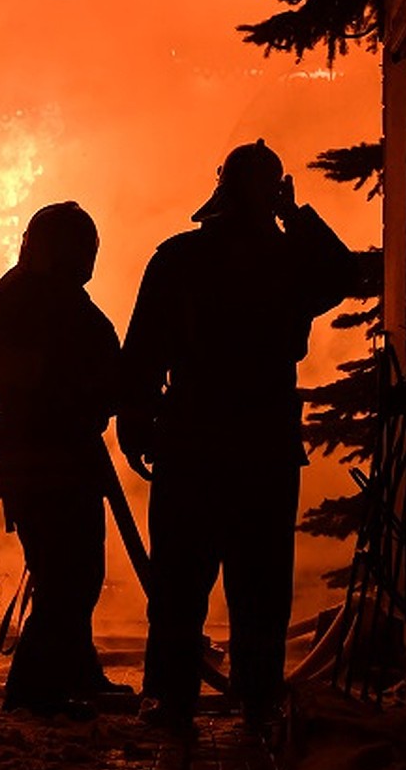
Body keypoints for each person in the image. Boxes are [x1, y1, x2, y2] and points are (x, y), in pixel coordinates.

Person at [118, 139, 371, 734]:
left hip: (192, 437)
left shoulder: (178, 257)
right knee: (260, 579)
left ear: (219, 187)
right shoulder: (287, 260)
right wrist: (295, 215)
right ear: (271, 191)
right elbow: (345, 273)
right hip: (262, 440)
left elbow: (144, 351)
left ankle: (170, 699)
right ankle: (257, 699)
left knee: (180, 577)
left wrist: (135, 422)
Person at [0, 201, 130, 718]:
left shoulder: (55, 299)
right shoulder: (14, 306)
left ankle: (77, 673)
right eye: (82, 250)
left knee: (77, 571)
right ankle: (34, 693)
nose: (89, 261)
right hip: (41, 459)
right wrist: (95, 394)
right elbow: (31, 386)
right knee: (67, 575)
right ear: (51, 249)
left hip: (67, 457)